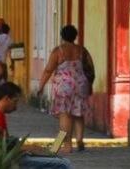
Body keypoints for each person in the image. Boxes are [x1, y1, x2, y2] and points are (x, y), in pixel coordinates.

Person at [0, 82, 72, 168]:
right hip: (10, 159)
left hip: (11, 156)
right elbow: (0, 147)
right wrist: (26, 148)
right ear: (6, 98)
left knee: (55, 157)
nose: (16, 106)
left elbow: (4, 143)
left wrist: (28, 147)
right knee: (64, 163)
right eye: (15, 101)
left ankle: (50, 150)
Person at [38, 25, 94, 153]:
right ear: (75, 36)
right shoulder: (82, 50)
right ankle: (80, 140)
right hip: (80, 85)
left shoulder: (59, 51)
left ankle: (66, 145)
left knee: (65, 116)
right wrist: (89, 84)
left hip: (64, 87)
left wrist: (41, 86)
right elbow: (90, 68)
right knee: (78, 113)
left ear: (62, 36)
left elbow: (48, 70)